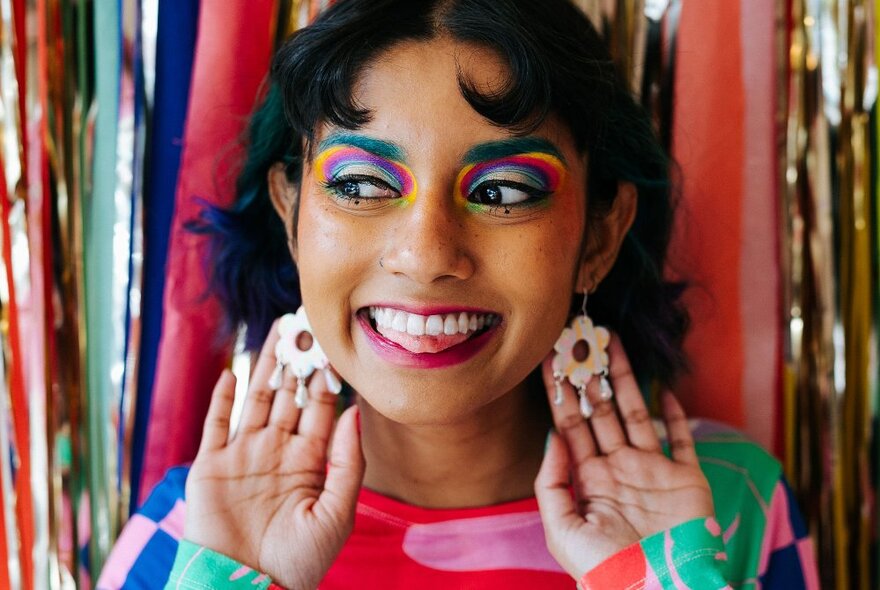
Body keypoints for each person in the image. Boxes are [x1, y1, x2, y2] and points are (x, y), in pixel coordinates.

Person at [98, 0, 820, 588]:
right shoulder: (197, 533)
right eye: (360, 185)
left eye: (503, 191)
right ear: (291, 216)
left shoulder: (725, 507)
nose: (426, 255)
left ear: (599, 235)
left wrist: (659, 581)